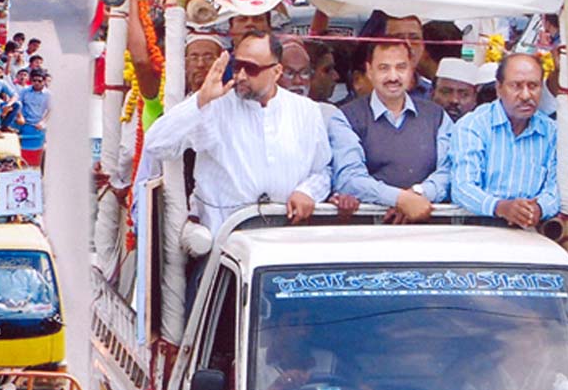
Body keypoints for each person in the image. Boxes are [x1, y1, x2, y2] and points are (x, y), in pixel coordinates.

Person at [144, 31, 332, 236]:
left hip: (286, 237)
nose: (241, 75)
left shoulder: (307, 111)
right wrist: (200, 100)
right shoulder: (215, 106)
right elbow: (156, 145)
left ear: (276, 71)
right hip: (224, 246)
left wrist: (307, 192)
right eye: (237, 66)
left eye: (251, 69)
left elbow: (322, 171)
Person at [329, 40, 452, 223]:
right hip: (368, 231)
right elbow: (349, 179)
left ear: (412, 70)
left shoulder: (436, 116)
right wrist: (400, 199)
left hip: (428, 231)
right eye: (384, 68)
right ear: (369, 71)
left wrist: (418, 194)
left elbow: (450, 171)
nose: (393, 77)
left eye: (401, 67)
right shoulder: (346, 117)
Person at [450, 53, 560, 226]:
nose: (525, 95)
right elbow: (462, 187)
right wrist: (501, 207)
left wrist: (539, 208)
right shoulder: (473, 125)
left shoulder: (552, 132)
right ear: (499, 88)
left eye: (533, 86)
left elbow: (557, 188)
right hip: (479, 230)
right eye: (516, 86)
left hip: (533, 232)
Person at [279, 39, 338, 123]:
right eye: (289, 73)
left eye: (304, 73)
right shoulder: (259, 113)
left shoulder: (328, 114)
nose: (298, 81)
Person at [383, 14, 433, 99]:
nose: (408, 45)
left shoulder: (432, 93)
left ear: (423, 45)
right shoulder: (370, 89)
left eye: (414, 38)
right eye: (399, 39)